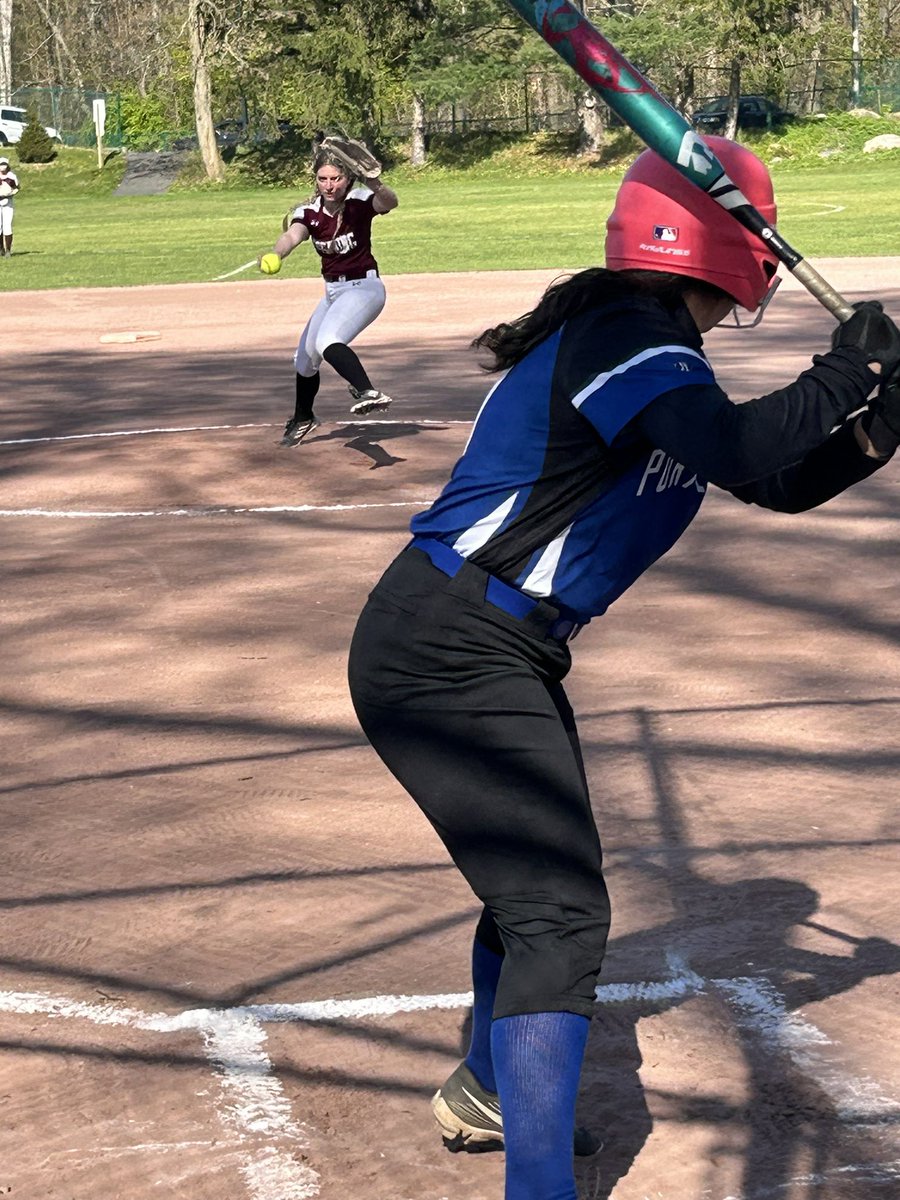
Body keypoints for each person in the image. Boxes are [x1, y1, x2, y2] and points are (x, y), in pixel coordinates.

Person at [347, 135, 900, 1200]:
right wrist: (846, 367)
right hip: (450, 643)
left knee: (537, 894)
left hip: (488, 644)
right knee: (561, 917)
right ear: (734, 255)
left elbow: (773, 483)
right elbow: (740, 447)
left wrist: (878, 424)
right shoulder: (621, 332)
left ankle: (487, 1089)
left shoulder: (651, 355)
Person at [261, 141, 399, 446]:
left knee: (327, 341)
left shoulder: (361, 200)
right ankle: (304, 418)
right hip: (334, 291)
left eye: (335, 178)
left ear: (347, 179)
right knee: (304, 360)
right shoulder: (309, 213)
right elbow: (292, 235)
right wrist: (276, 254)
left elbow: (390, 202)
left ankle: (367, 391)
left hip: (364, 288)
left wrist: (374, 181)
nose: (328, 185)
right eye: (322, 178)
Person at [0, 157, 20, 257]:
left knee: (7, 226)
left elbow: (17, 188)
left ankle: (8, 250)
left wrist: (10, 193)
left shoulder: (12, 176)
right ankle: (1, 249)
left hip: (8, 202)